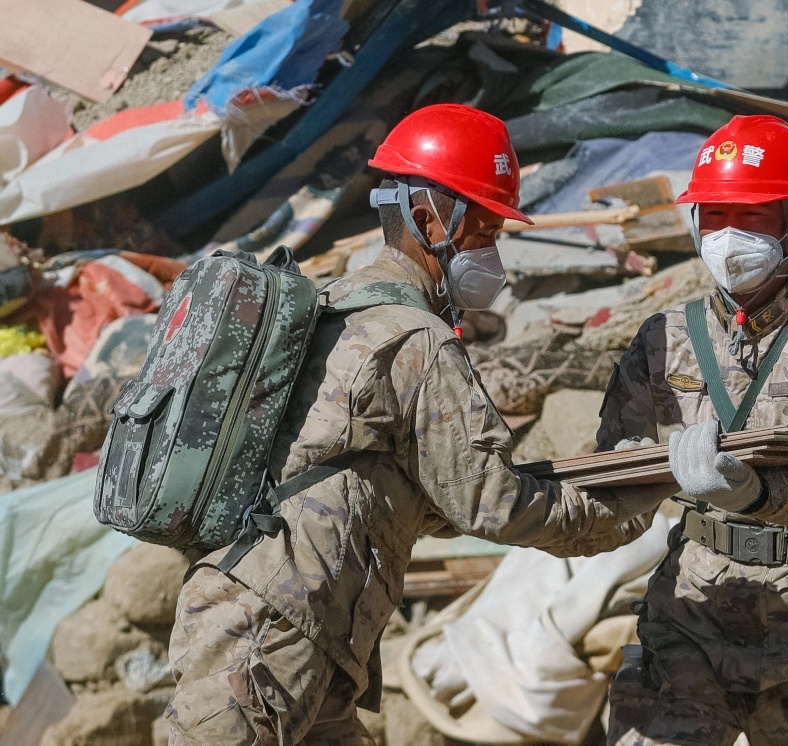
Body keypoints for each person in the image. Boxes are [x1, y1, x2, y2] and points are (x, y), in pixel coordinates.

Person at [165, 103, 675, 745]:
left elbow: (414, 492)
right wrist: (632, 509)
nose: (492, 252)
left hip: (285, 628)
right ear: (428, 218)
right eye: (482, 230)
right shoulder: (416, 341)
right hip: (270, 638)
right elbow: (493, 503)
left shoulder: (333, 305)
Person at [598, 115, 788, 746]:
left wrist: (749, 492)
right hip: (691, 616)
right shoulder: (662, 338)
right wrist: (623, 475)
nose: (729, 236)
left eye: (754, 217)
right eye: (713, 215)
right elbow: (612, 470)